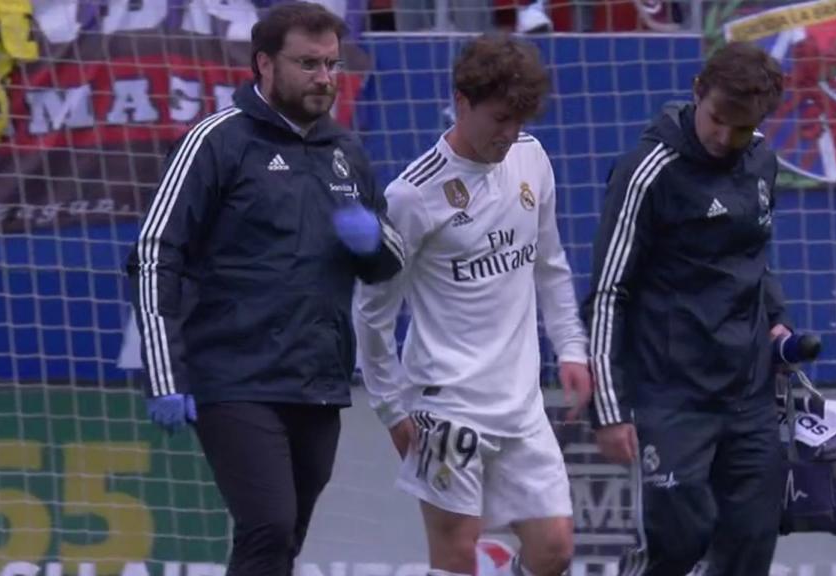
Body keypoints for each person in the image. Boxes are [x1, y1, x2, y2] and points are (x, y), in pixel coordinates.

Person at [125, 3, 404, 574]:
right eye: (308, 64)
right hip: (234, 378)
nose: (325, 78)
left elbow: (389, 264)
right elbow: (156, 253)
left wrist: (371, 240)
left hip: (316, 380)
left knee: (281, 539)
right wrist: (164, 374)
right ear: (265, 65)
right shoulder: (216, 141)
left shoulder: (346, 152)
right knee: (269, 524)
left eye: (332, 64)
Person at [353, 32, 592, 576]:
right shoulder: (413, 195)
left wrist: (572, 349)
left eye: (520, 121)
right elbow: (371, 312)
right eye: (499, 119)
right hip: (445, 405)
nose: (510, 134)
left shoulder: (531, 158)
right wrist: (391, 410)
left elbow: (549, 264)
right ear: (462, 103)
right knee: (457, 557)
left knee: (553, 549)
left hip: (521, 403)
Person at [585, 41, 791, 575]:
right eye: (717, 119)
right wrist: (609, 409)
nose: (724, 138)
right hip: (670, 398)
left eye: (741, 129)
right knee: (676, 544)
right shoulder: (646, 172)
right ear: (698, 92)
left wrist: (776, 318)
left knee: (749, 548)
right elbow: (609, 292)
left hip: (750, 396)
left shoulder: (763, 161)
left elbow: (753, 256)